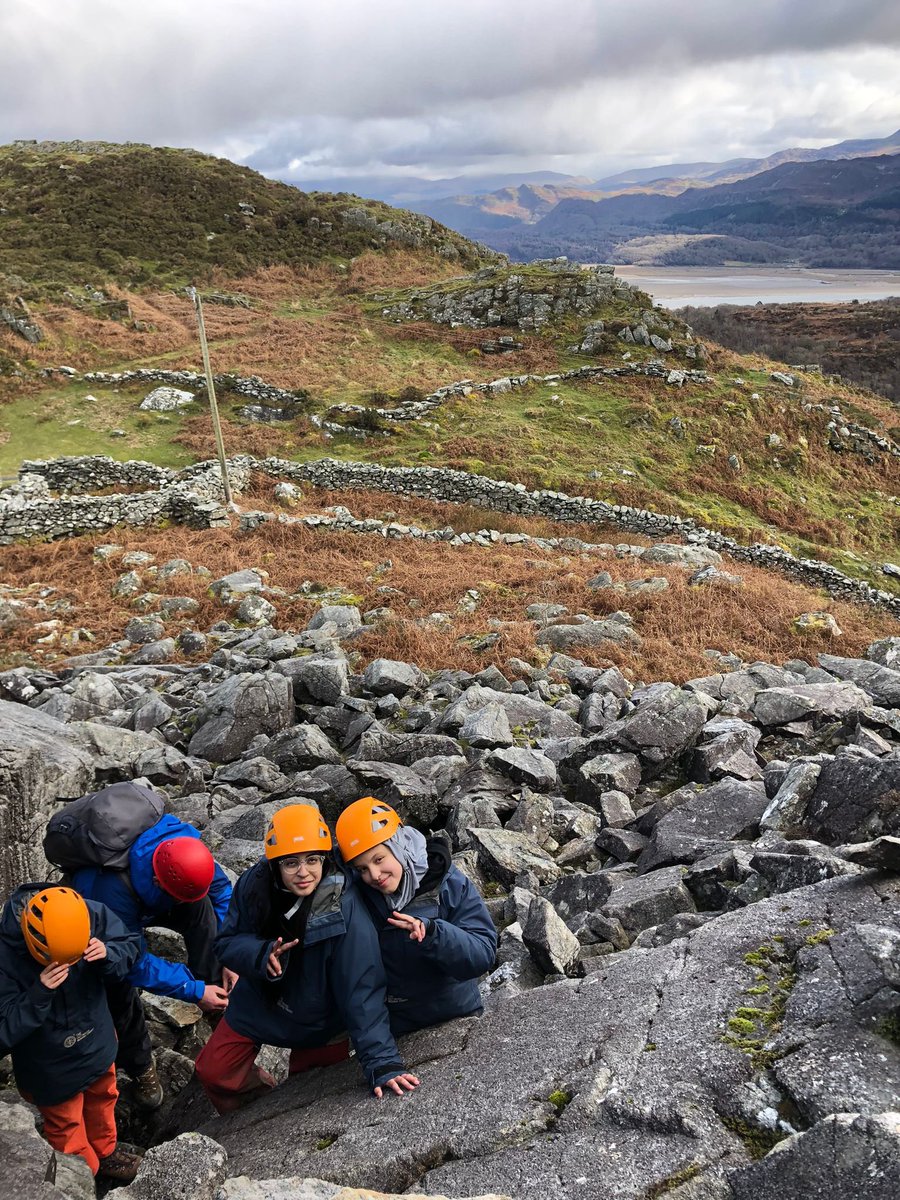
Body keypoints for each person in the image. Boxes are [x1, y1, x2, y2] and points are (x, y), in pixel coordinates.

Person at [195, 803, 419, 1113]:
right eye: (291, 863)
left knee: (306, 1092)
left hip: (320, 1021)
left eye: (313, 860)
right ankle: (254, 1108)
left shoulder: (346, 908)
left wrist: (383, 1063)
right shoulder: (255, 885)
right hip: (261, 1001)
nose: (303, 873)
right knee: (213, 1071)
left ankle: (270, 1116)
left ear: (325, 860)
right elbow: (228, 941)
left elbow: (361, 988)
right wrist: (260, 955)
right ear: (275, 864)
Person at [70, 812, 234, 1108]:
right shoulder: (109, 888)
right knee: (115, 982)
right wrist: (191, 990)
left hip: (154, 891)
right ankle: (141, 1066)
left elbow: (221, 893)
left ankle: (217, 998)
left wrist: (228, 954)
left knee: (202, 909)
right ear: (158, 881)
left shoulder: (191, 854)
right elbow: (131, 962)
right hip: (108, 918)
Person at [0, 884, 144, 1182]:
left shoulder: (85, 912)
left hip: (97, 1041)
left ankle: (107, 1155)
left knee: (104, 1098)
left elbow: (131, 945)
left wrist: (109, 954)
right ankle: (82, 1179)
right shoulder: (5, 956)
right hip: (50, 1065)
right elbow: (4, 1030)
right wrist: (38, 994)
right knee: (66, 1126)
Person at [334, 797, 497, 1036]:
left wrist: (433, 933)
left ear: (399, 845)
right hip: (397, 1030)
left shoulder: (447, 882)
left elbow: (483, 954)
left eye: (379, 859)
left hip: (457, 1015)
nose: (375, 875)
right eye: (362, 868)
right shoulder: (357, 894)